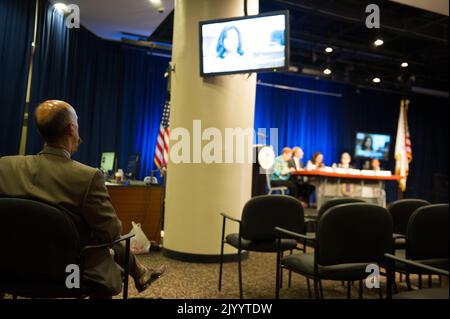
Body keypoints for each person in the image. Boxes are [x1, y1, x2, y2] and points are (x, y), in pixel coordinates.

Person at [0, 100, 166, 298]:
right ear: (71, 129)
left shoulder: (5, 166)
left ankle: (140, 272)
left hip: (12, 268)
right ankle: (139, 272)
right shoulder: (87, 177)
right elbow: (112, 231)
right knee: (103, 242)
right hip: (72, 275)